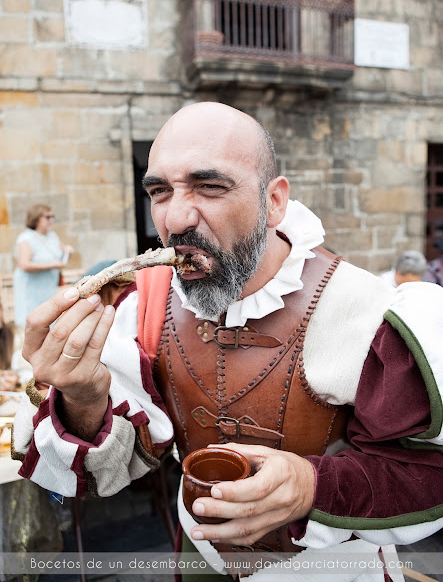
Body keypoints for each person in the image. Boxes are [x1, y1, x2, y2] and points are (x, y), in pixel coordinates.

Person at [12, 103, 443, 582]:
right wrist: (85, 395)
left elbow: (427, 473)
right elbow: (110, 468)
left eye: (210, 186)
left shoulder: (367, 311)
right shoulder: (143, 306)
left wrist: (310, 486)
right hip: (200, 556)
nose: (175, 218)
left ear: (274, 200)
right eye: (159, 191)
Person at [13, 204, 73, 328]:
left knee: (49, 320)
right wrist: (51, 265)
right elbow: (24, 264)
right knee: (32, 323)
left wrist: (67, 251)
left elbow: (61, 258)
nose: (51, 220)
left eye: (52, 216)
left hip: (48, 288)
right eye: (47, 217)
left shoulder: (53, 236)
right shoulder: (26, 238)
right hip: (31, 289)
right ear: (36, 218)